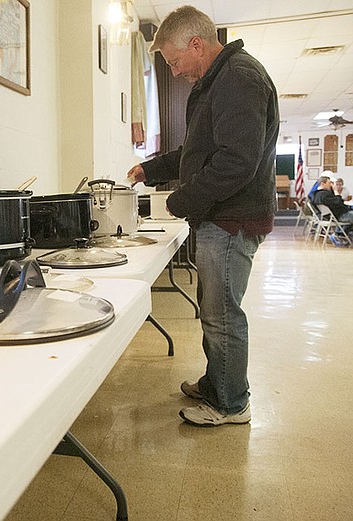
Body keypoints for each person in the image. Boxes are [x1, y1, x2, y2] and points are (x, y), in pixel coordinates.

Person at [126, 6, 279, 427]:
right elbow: (198, 153)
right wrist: (151, 168)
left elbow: (236, 162)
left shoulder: (238, 79)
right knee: (215, 311)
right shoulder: (219, 81)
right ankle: (218, 383)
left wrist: (182, 201)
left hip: (232, 219)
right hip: (225, 217)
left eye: (176, 62)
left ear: (197, 44)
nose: (175, 73)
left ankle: (231, 404)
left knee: (222, 314)